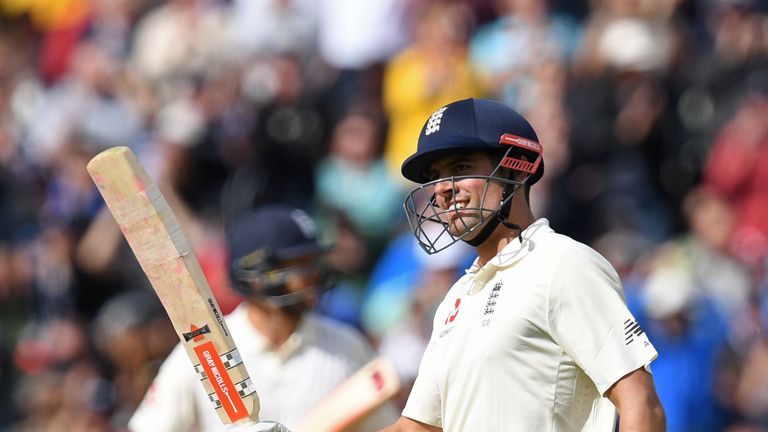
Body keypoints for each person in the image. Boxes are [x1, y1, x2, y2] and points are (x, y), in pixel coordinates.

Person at [379, 98, 666, 431]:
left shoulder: (563, 263)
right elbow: (416, 428)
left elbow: (641, 403)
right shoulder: (456, 299)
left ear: (515, 167)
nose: (442, 189)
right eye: (435, 177)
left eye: (460, 168)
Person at [128, 205, 398, 432]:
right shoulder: (205, 352)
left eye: (313, 261)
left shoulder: (347, 346)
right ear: (256, 277)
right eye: (298, 263)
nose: (314, 274)